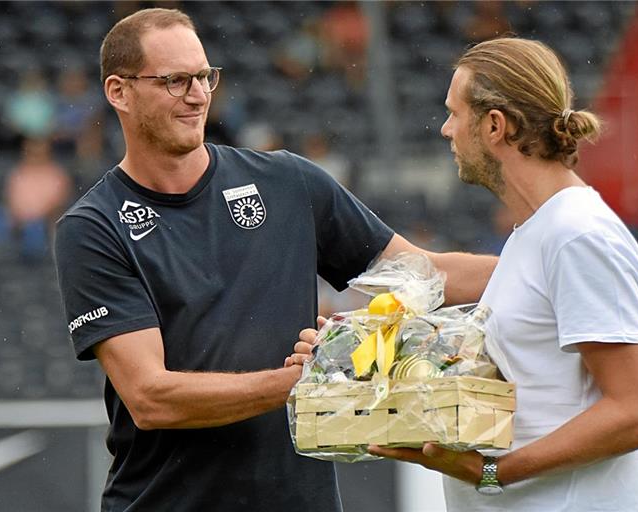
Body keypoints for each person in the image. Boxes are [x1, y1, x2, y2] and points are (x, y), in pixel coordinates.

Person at [53, 8, 498, 511]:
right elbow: (151, 398)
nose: (198, 95)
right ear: (119, 92)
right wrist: (305, 380)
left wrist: (541, 264)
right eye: (175, 81)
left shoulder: (288, 182)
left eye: (204, 76)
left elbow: (424, 274)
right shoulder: (93, 227)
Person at [293, 37, 638, 511]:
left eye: (454, 112)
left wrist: (495, 472)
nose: (446, 129)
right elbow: (447, 285)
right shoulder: (541, 231)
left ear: (494, 125)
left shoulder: (577, 234)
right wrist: (344, 352)